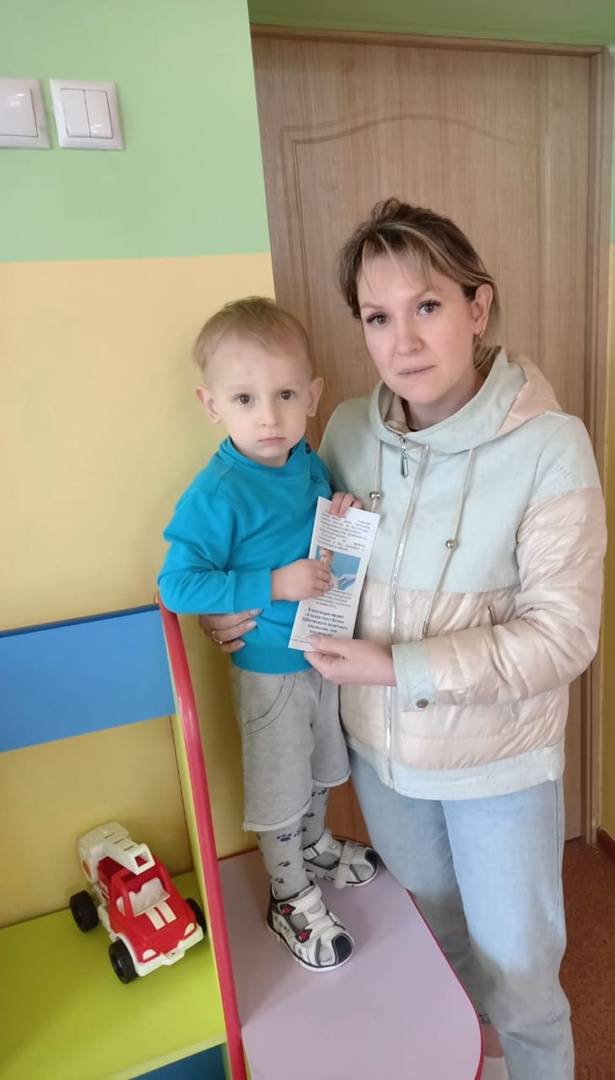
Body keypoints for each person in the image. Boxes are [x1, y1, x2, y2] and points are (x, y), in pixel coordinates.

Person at [201, 202, 606, 1079]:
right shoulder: (345, 431)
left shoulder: (550, 447)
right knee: (438, 947)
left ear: (478, 307)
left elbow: (563, 636)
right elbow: (301, 556)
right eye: (377, 317)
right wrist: (234, 607)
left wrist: (396, 665)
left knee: (522, 975)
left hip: (499, 768)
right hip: (382, 761)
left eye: (427, 306)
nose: (403, 341)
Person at [158, 297, 378, 974]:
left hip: (322, 654)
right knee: (281, 786)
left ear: (312, 395)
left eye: (285, 395)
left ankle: (312, 850)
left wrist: (338, 511)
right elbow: (178, 585)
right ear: (211, 404)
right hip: (268, 673)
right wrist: (273, 584)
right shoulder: (219, 491)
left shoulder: (306, 461)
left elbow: (312, 530)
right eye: (245, 398)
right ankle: (289, 897)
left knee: (319, 768)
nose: (269, 417)